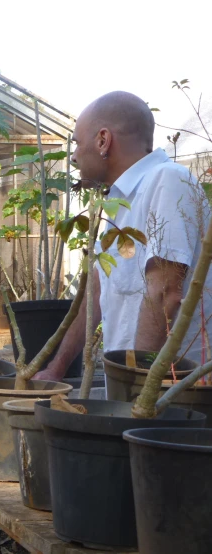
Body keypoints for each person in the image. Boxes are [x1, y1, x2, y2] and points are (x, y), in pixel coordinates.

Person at [34, 91, 212, 381]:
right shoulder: (121, 201)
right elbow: (97, 291)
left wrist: (134, 386)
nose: (75, 155)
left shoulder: (167, 181)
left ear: (103, 140)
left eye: (78, 143)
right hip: (136, 384)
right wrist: (57, 368)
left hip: (176, 394)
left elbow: (164, 293)